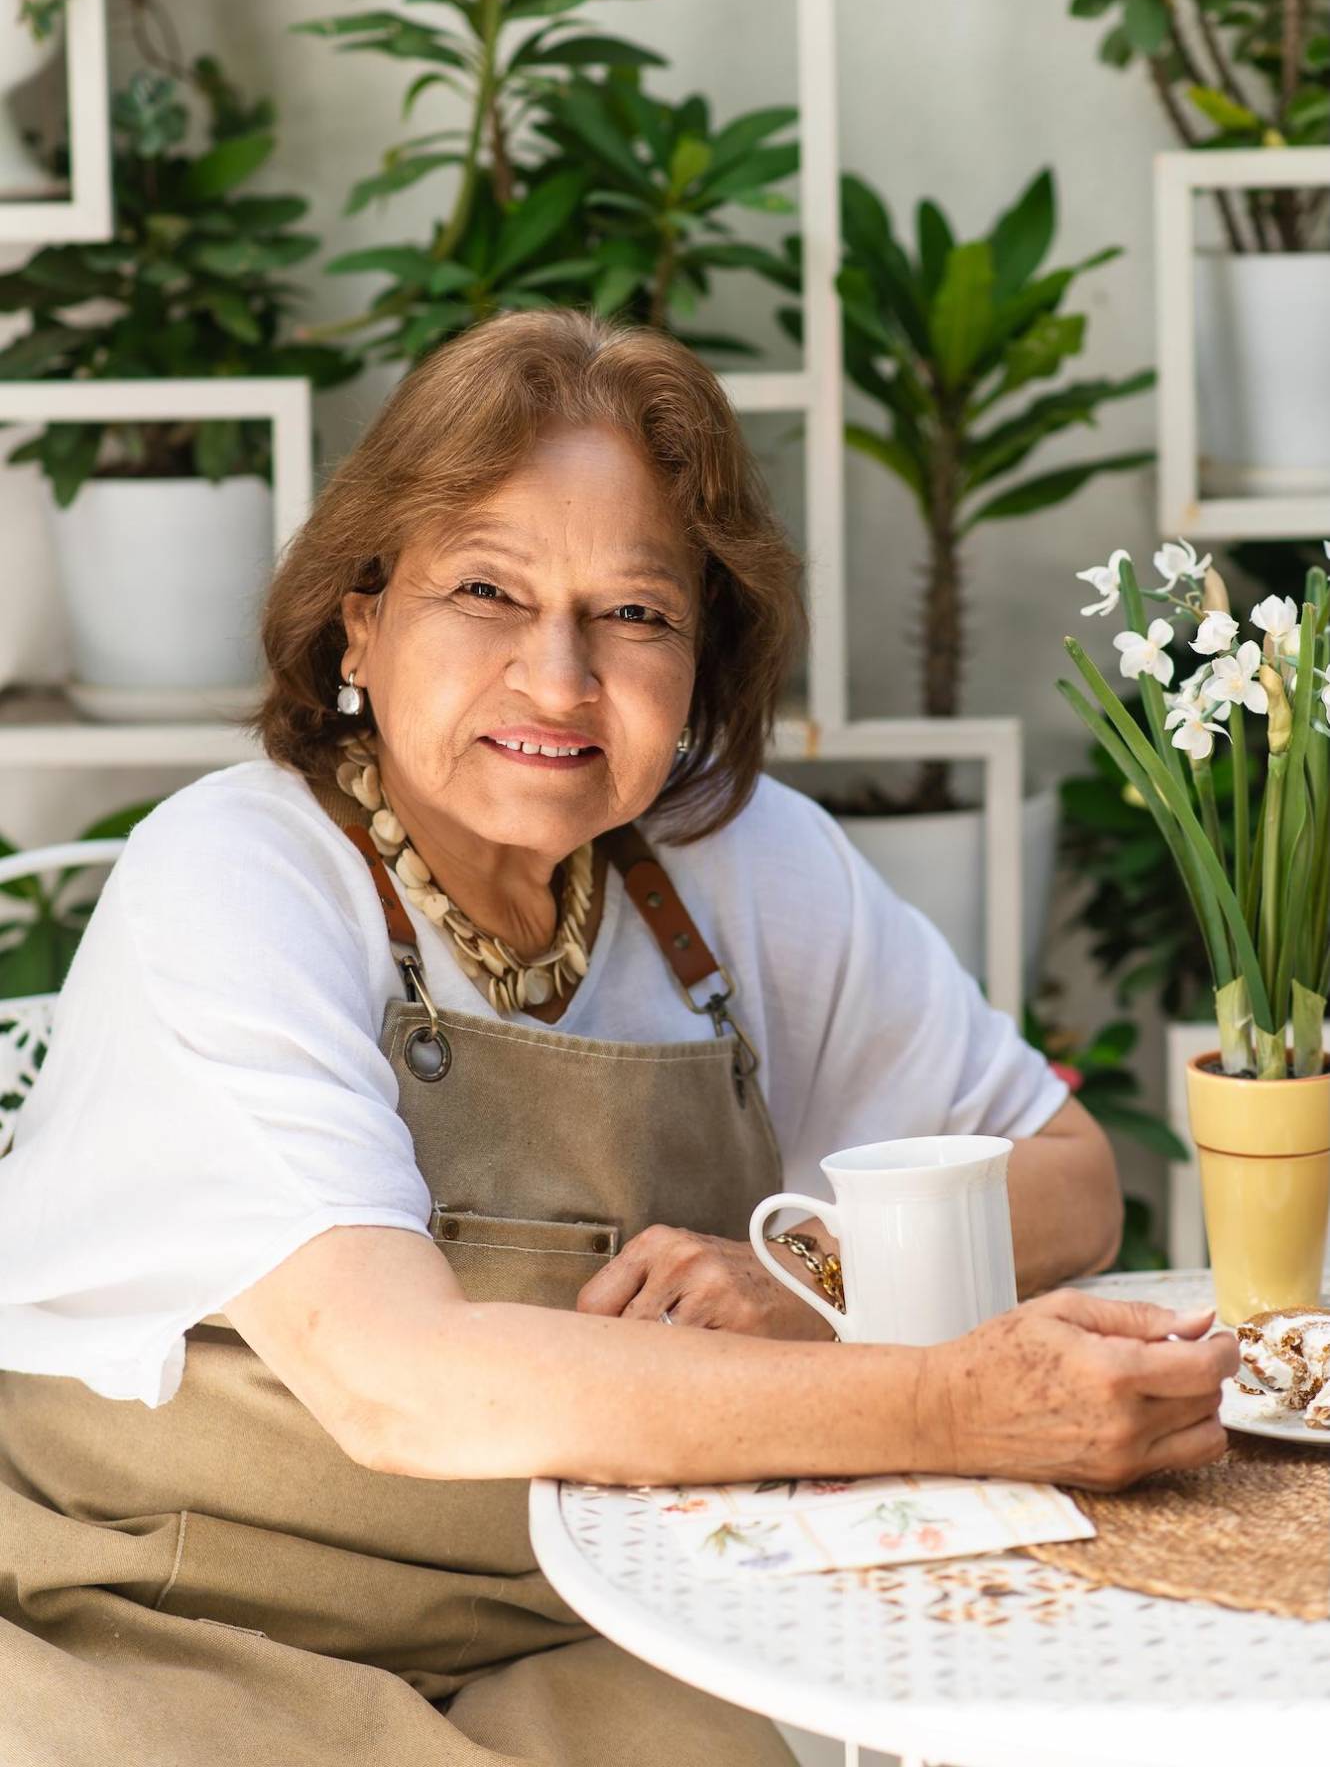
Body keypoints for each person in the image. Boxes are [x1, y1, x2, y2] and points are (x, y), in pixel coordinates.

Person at [0, 311, 1235, 1767]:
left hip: (593, 1604)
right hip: (156, 1607)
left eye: (635, 613)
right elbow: (398, 1380)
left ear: (705, 657)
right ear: (359, 618)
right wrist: (945, 1403)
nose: (558, 680)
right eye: (485, 590)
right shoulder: (234, 874)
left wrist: (802, 1273)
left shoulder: (744, 859)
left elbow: (1067, 1176)